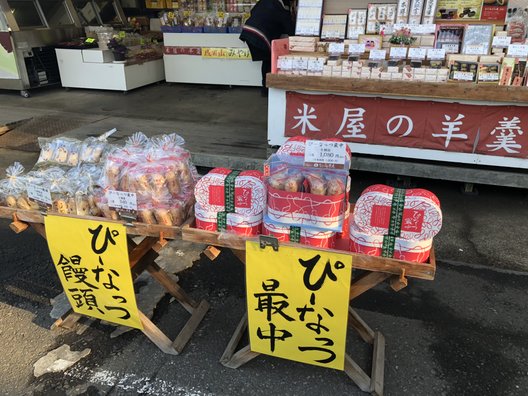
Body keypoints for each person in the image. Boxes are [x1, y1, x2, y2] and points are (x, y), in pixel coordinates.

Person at [240, 0, 295, 94]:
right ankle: (268, 89)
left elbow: (253, 12)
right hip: (258, 34)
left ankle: (265, 88)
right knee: (269, 61)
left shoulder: (264, 1)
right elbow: (289, 27)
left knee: (267, 60)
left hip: (248, 31)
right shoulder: (279, 6)